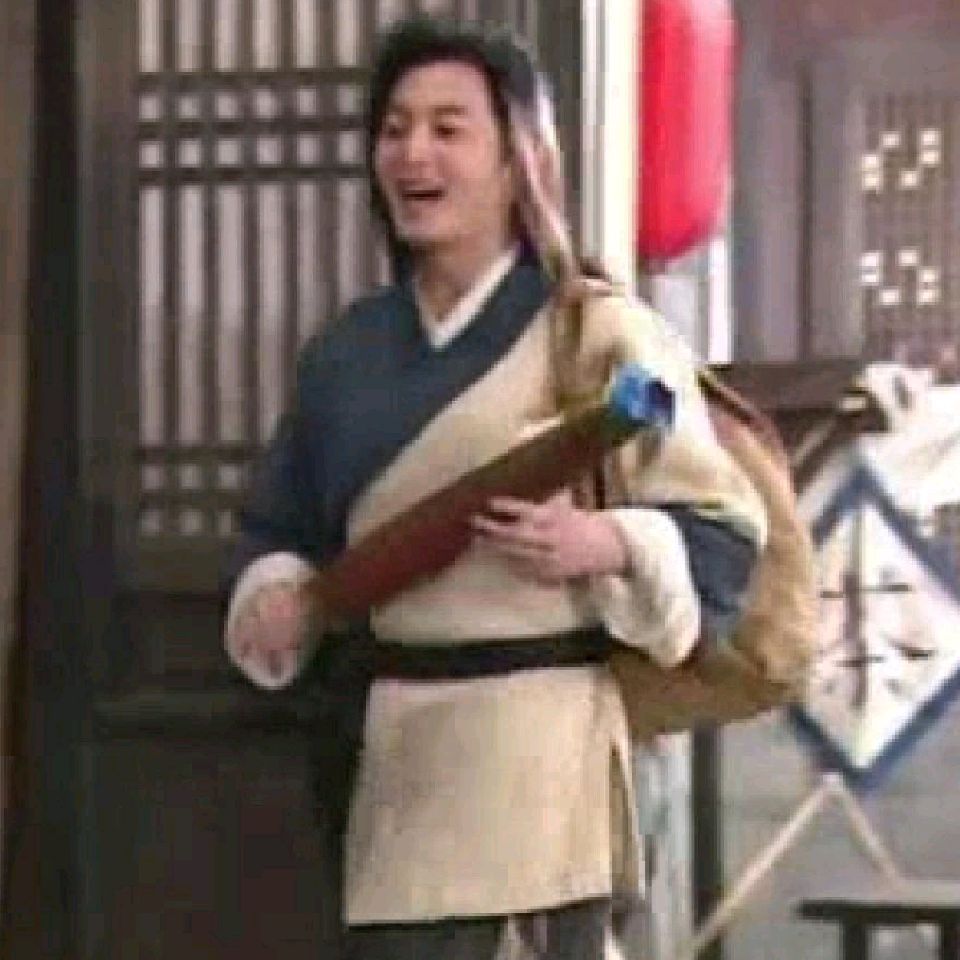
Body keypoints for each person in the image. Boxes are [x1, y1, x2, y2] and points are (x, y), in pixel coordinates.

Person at [222, 15, 766, 960]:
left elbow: (722, 529)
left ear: (519, 161)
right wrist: (275, 593)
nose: (413, 154)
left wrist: (606, 542)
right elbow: (283, 522)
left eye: (449, 128)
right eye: (394, 129)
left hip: (539, 752)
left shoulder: (594, 333)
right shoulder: (347, 354)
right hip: (397, 756)